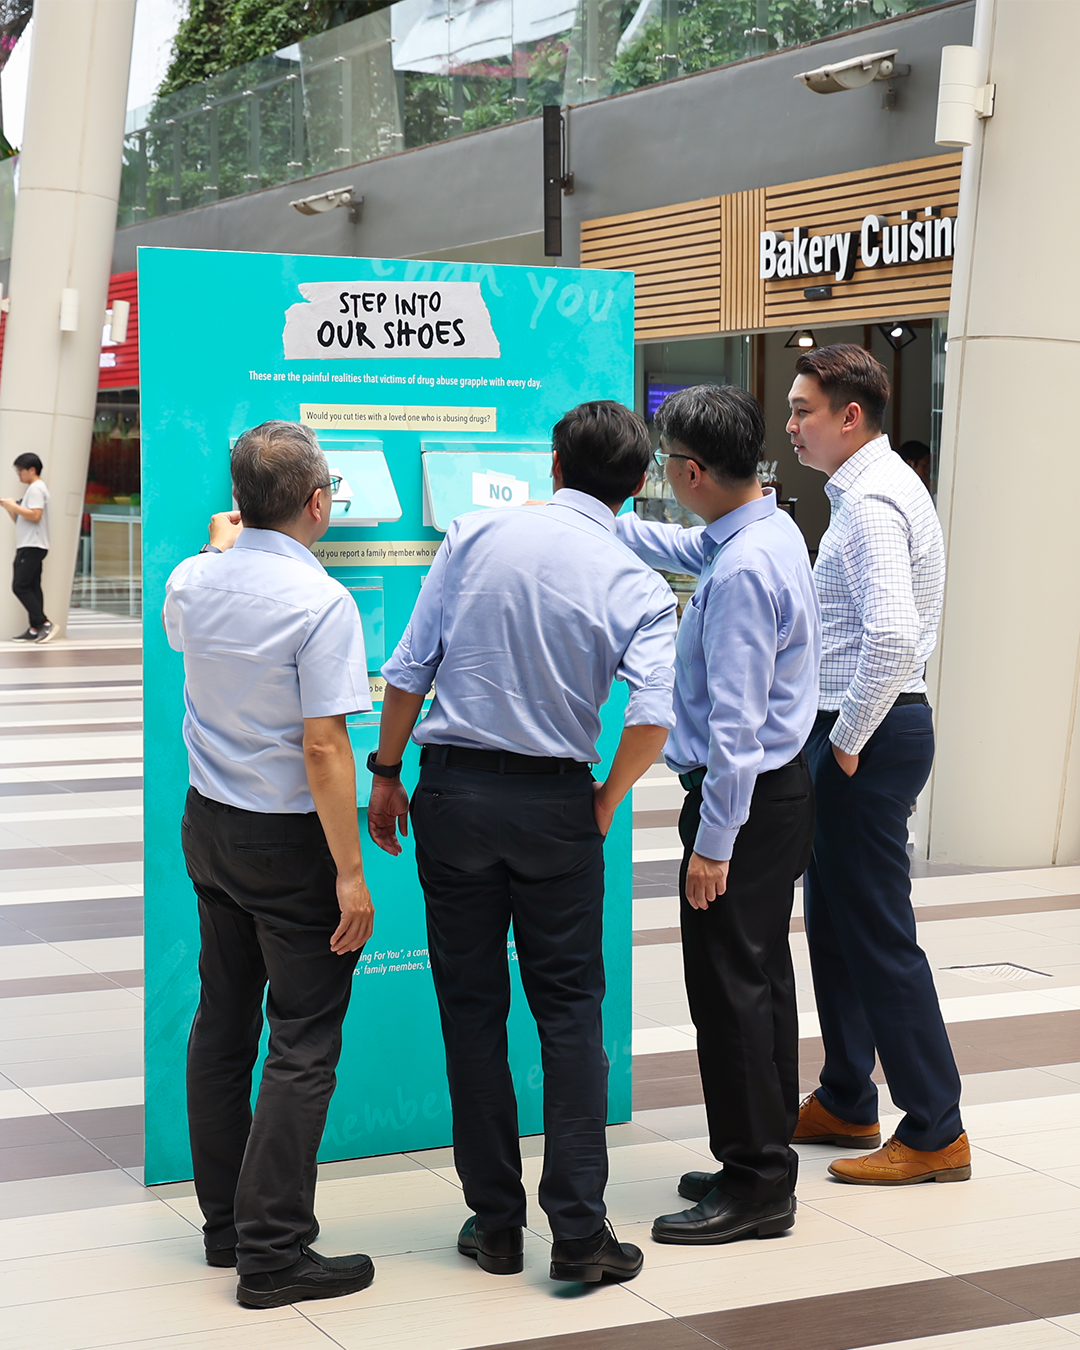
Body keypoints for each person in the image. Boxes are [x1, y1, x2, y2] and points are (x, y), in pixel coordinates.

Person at [367, 401, 677, 1285]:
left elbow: (407, 669)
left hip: (455, 796)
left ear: (553, 465)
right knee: (571, 1015)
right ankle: (578, 1232)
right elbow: (654, 714)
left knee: (472, 1012)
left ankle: (495, 1225)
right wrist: (607, 797)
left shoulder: (472, 534)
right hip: (556, 807)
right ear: (637, 485)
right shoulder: (638, 583)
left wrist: (387, 770)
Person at [164, 421, 379, 1308]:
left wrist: (228, 541)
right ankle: (275, 1252)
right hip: (286, 839)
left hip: (208, 826)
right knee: (303, 1040)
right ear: (320, 502)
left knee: (223, 1021)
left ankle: (227, 1228)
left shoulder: (190, 577)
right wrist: (350, 873)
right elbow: (325, 747)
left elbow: (200, 605)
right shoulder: (322, 603)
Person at [614, 386, 820, 1244]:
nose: (663, 477)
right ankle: (764, 1153)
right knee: (762, 980)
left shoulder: (739, 575)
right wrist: (594, 516)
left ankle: (756, 1184)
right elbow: (679, 542)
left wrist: (712, 843)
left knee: (729, 993)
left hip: (746, 801)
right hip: (778, 797)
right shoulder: (764, 530)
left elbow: (734, 731)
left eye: (665, 465)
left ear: (692, 471)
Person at [786, 344, 969, 1185]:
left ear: (848, 417)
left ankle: (935, 1129)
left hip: (871, 732)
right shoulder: (877, 488)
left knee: (879, 934)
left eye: (802, 411)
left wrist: (848, 738)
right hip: (868, 727)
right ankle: (849, 1096)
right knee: (835, 921)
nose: (791, 426)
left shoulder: (871, 504)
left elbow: (894, 635)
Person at [1, 452, 53, 643]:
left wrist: (13, 506)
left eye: (20, 471)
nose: (18, 475)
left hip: (32, 545)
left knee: (20, 586)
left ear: (32, 470)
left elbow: (35, 515)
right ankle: (34, 628)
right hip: (31, 544)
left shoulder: (36, 488)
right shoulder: (34, 489)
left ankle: (44, 623)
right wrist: (11, 508)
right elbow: (23, 518)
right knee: (32, 585)